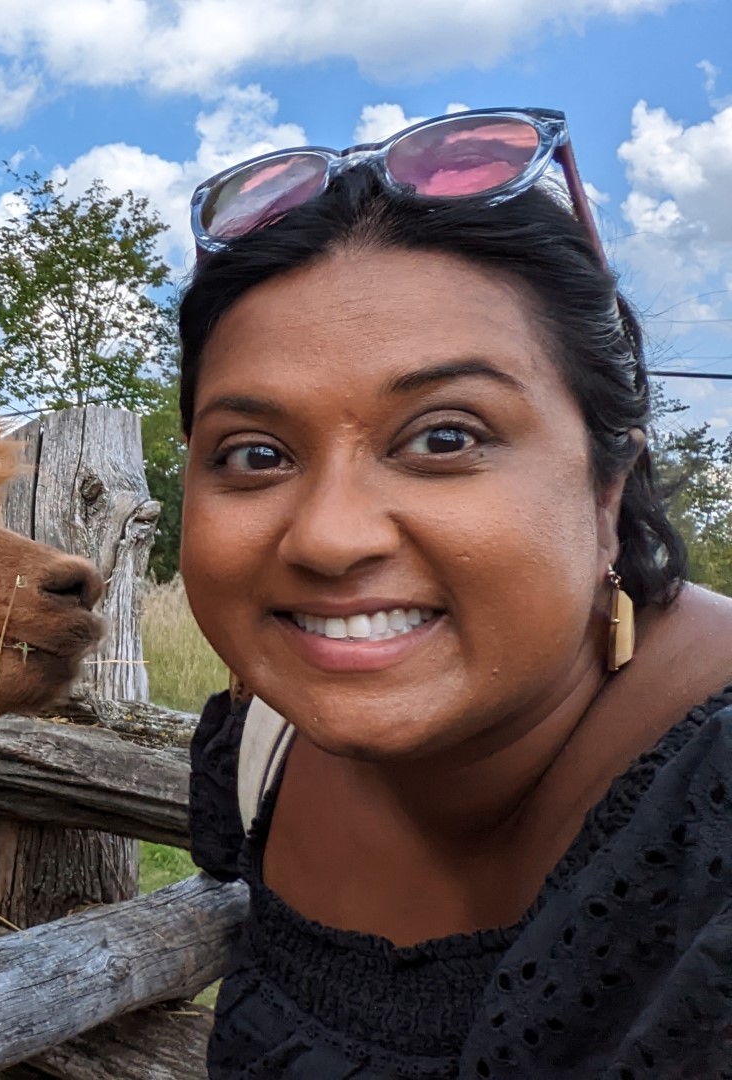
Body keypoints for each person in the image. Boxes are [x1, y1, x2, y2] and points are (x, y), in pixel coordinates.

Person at [177, 107, 732, 1078]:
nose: (329, 536)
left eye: (445, 437)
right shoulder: (259, 743)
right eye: (256, 454)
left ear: (608, 490)